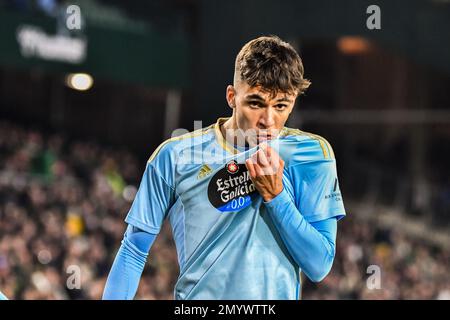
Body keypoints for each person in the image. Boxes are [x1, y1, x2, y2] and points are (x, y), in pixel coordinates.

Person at [103, 35, 346, 300]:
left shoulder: (311, 154)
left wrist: (277, 198)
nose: (268, 120)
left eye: (281, 106)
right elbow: (134, 250)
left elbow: (319, 265)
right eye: (256, 103)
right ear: (232, 96)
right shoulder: (175, 156)